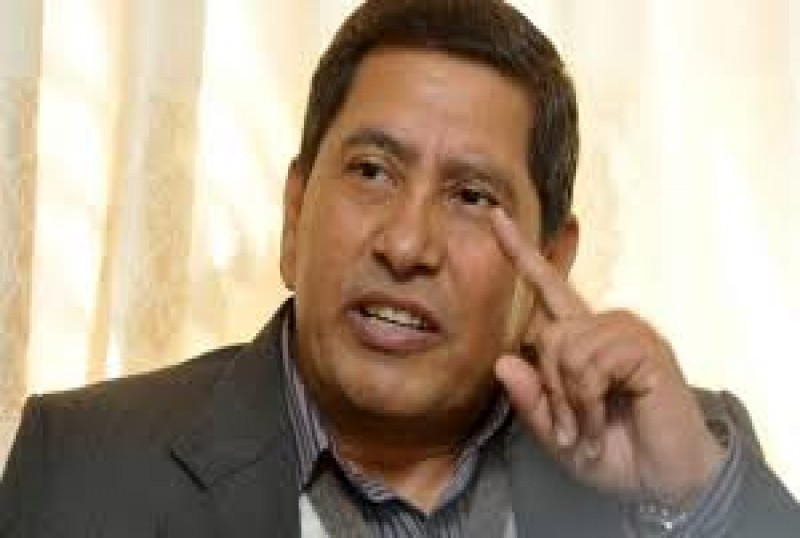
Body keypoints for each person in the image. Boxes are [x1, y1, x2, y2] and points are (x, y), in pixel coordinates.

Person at [1, 0, 798, 536]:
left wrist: (693, 499)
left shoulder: (683, 458)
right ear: (294, 214)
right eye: (372, 171)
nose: (407, 244)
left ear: (550, 262)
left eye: (472, 196)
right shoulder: (83, 468)